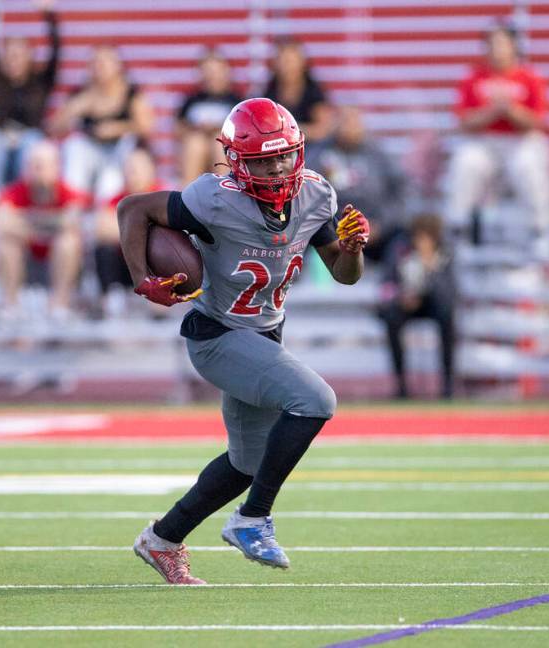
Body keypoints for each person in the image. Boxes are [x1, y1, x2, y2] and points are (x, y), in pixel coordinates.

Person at [118, 98, 369, 584]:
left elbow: (344, 275)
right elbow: (133, 208)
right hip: (217, 334)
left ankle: (162, 538)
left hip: (265, 334)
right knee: (315, 399)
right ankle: (253, 519)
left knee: (247, 462)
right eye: (261, 160)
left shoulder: (316, 194)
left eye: (282, 156)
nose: (276, 169)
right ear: (236, 160)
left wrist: (354, 251)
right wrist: (142, 278)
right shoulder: (214, 198)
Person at [445, 24, 549, 258]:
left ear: (514, 46)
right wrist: (494, 110)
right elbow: (464, 121)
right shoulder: (473, 78)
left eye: (501, 43)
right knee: (465, 162)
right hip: (483, 142)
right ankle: (458, 228)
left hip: (520, 141)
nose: (496, 49)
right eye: (492, 43)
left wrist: (510, 109)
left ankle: (539, 230)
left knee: (529, 166)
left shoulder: (530, 78)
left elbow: (537, 122)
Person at [0, 140, 86, 321]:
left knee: (69, 242)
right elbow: (2, 223)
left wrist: (26, 222)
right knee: (6, 243)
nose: (36, 170)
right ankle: (11, 305)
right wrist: (50, 225)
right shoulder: (15, 191)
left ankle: (59, 304)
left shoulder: (67, 192)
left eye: (41, 165)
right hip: (27, 255)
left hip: (56, 256)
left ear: (55, 167)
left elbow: (72, 221)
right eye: (32, 165)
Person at [50, 45, 153, 203]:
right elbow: (54, 128)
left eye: (105, 63)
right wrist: (73, 110)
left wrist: (116, 129)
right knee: (73, 146)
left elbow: (147, 127)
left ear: (118, 67)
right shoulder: (81, 93)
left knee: (111, 176)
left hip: (118, 153)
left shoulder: (131, 93)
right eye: (96, 63)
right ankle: (74, 202)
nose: (100, 68)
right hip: (89, 152)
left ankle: (106, 204)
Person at [0, 0, 59, 189]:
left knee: (33, 142)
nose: (14, 60)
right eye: (10, 55)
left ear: (30, 56)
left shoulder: (42, 81)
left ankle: (24, 196)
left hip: (28, 137)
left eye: (19, 55)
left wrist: (49, 14)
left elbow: (56, 50)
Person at [308, 105, 406, 262]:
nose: (350, 129)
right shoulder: (318, 155)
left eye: (354, 123)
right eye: (345, 122)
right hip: (330, 232)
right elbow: (306, 195)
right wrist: (332, 230)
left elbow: (401, 193)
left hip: (376, 231)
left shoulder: (378, 155)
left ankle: (391, 282)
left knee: (402, 239)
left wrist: (380, 226)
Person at [377, 214, 456, 400]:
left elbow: (451, 292)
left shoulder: (446, 254)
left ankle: (447, 385)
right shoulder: (399, 250)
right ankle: (401, 385)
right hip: (405, 302)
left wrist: (430, 268)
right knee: (392, 319)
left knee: (448, 317)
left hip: (434, 304)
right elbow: (386, 285)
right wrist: (402, 297)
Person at [94, 147, 163, 317]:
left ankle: (159, 301)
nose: (131, 174)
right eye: (128, 169)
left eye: (136, 169)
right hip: (124, 263)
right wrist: (144, 230)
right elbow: (102, 229)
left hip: (153, 263)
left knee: (161, 247)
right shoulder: (117, 198)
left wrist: (125, 230)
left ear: (150, 170)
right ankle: (108, 298)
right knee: (104, 249)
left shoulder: (164, 193)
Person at [176, 49, 244, 186]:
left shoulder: (236, 101)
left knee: (218, 145)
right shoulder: (191, 100)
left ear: (226, 71)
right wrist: (197, 129)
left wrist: (216, 129)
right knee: (195, 144)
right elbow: (178, 129)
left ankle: (225, 192)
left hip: (224, 149)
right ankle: (186, 196)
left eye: (216, 70)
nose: (212, 75)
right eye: (208, 70)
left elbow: (243, 131)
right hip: (197, 147)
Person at [261, 38, 332, 146]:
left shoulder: (314, 92)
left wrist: (288, 132)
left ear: (302, 63)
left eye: (291, 61)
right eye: (283, 61)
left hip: (310, 148)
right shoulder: (268, 94)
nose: (287, 67)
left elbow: (323, 130)